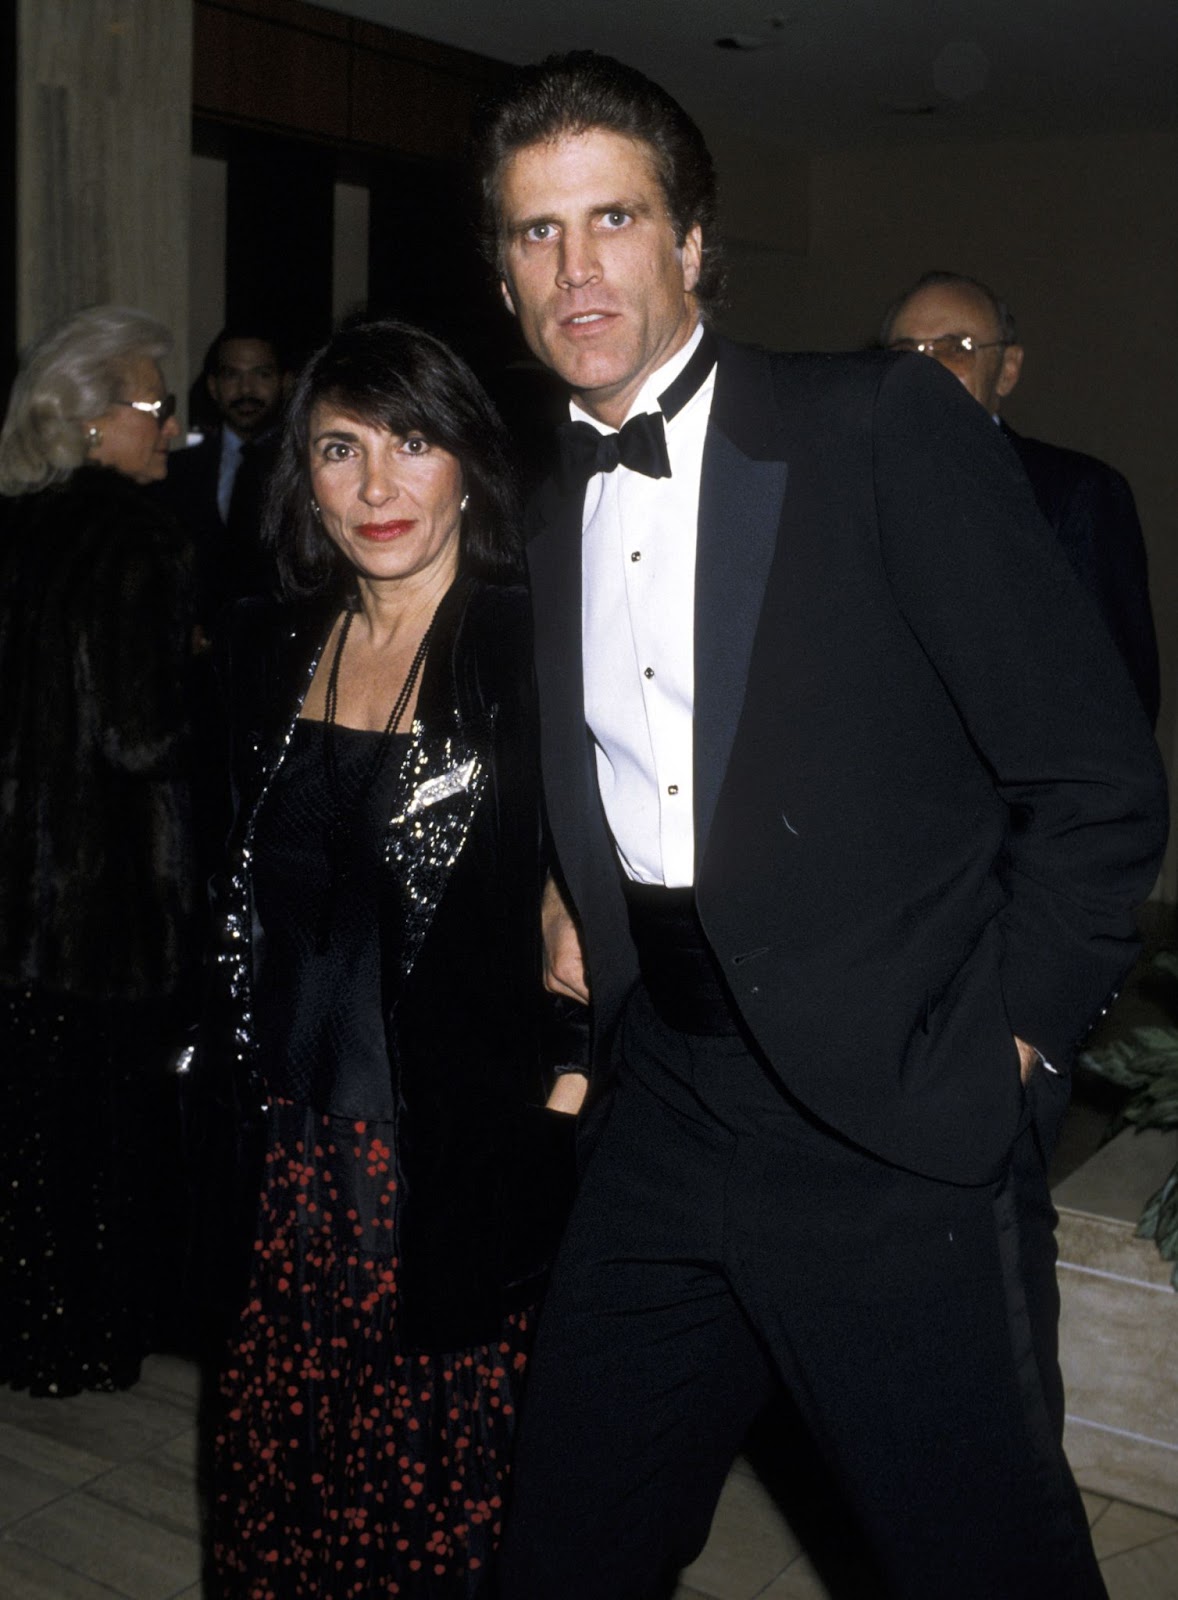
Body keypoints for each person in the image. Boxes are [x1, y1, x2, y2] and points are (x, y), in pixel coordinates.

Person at [469, 51, 1169, 1600]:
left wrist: (1010, 1044)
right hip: (663, 1109)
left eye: (613, 218)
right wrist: (577, 896)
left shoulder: (873, 427)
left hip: (890, 1118)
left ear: (692, 244)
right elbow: (626, 766)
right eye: (535, 233)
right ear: (505, 272)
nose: (576, 267)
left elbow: (1094, 775)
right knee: (566, 1548)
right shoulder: (539, 499)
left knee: (976, 1563)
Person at [197, 318, 586, 1598]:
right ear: (300, 476)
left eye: (411, 444)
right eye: (339, 448)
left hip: (439, 1158)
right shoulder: (269, 644)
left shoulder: (528, 649)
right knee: (281, 1474)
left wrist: (569, 1085)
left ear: (468, 461)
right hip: (284, 1156)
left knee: (431, 1489)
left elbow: (612, 880)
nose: (376, 487)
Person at [0, 304, 196, 1396]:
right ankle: (86, 1339)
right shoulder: (134, 540)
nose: (171, 427)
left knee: (30, 1131)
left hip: (15, 900)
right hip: (107, 904)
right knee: (103, 1140)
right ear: (87, 422)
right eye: (154, 406)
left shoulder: (15, 531)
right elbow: (141, 732)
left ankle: (28, 1332)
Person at [881, 271, 1160, 723]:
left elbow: (1118, 699)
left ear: (1007, 370)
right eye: (904, 351)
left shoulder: (1074, 494)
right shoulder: (848, 484)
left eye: (956, 348)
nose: (923, 368)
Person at [158, 326, 286, 630]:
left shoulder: (307, 469)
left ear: (285, 382)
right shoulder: (174, 471)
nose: (246, 389)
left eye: (261, 374)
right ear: (213, 387)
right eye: (232, 375)